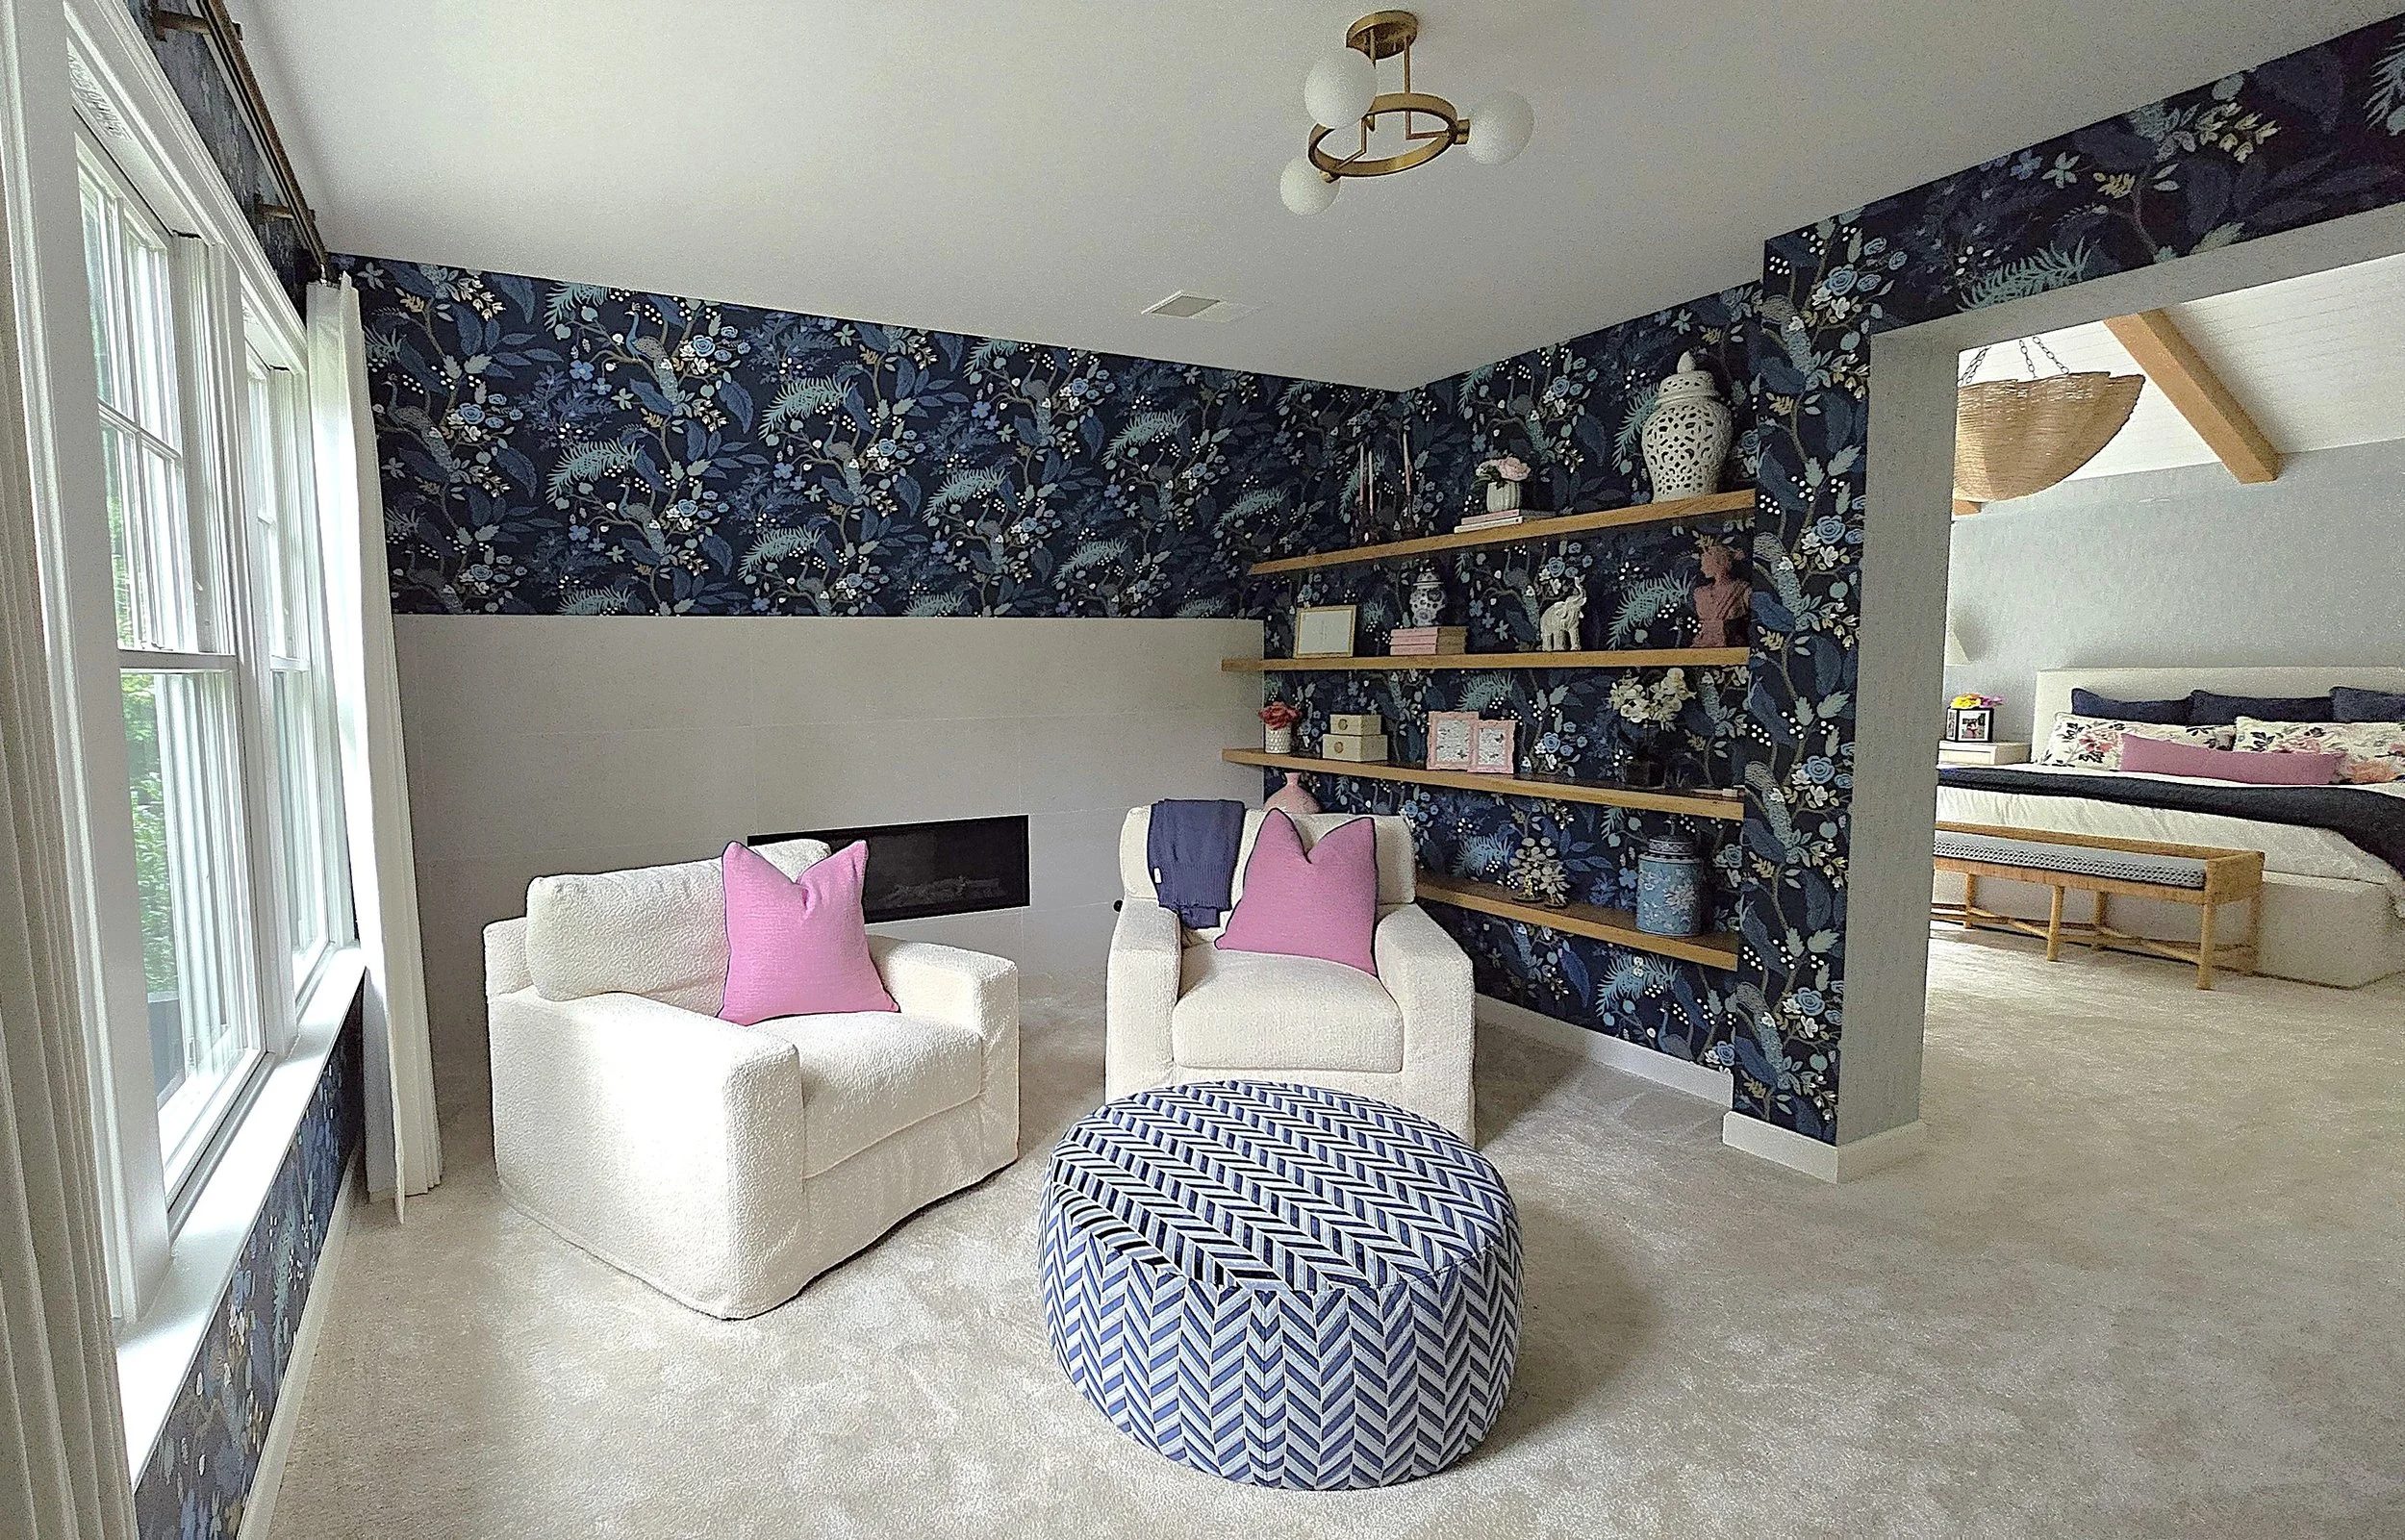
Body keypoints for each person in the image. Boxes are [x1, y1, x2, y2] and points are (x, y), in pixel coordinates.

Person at [1691, 541, 1751, 648]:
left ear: (1718, 564)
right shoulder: (1701, 593)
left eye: (1705, 564)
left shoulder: (1742, 590)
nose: (1702, 569)